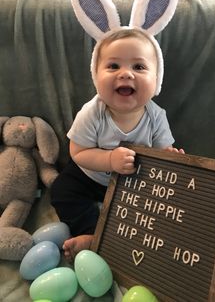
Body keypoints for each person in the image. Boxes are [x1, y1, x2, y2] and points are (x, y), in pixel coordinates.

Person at [50, 28, 184, 262]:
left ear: (156, 80)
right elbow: (78, 152)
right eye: (113, 66)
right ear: (96, 76)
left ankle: (123, 239)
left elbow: (163, 152)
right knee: (62, 190)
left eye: (139, 67)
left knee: (157, 207)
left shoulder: (156, 116)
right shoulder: (92, 113)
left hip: (132, 182)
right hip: (89, 175)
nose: (126, 74)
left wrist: (172, 157)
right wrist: (109, 160)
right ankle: (91, 233)